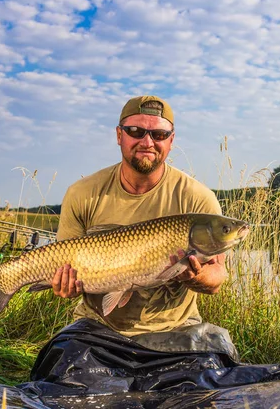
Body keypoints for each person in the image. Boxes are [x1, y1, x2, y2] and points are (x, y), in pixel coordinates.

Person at [52, 95, 228, 337]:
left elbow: (217, 277)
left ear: (171, 140)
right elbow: (63, 262)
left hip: (175, 328)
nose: (147, 142)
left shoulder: (198, 199)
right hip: (96, 325)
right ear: (119, 135)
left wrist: (194, 275)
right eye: (136, 131)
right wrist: (66, 284)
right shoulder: (83, 193)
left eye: (159, 134)